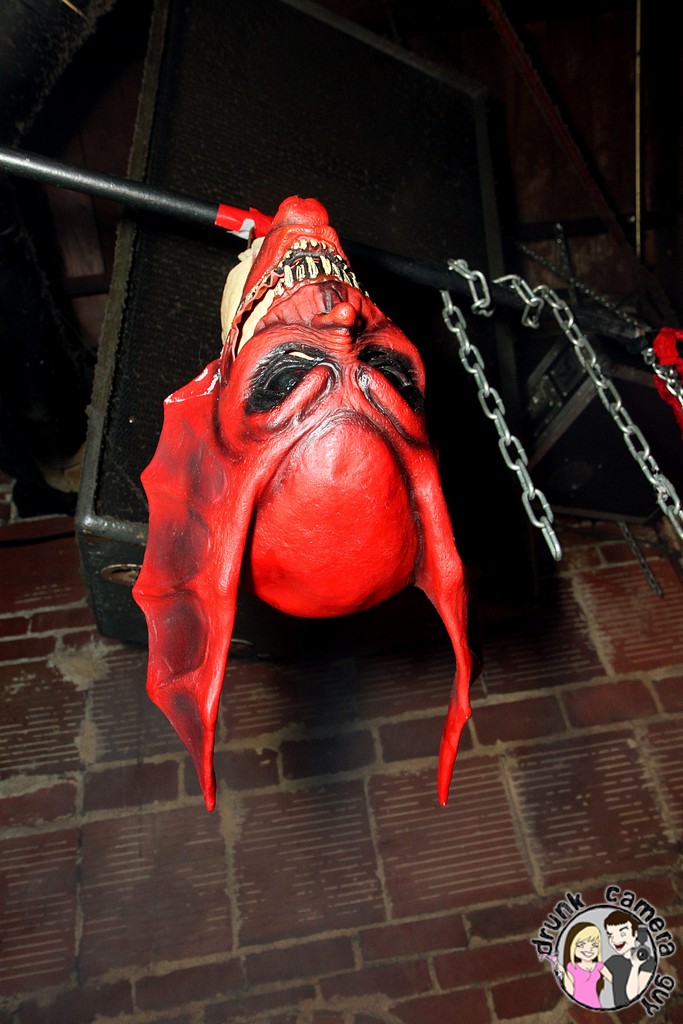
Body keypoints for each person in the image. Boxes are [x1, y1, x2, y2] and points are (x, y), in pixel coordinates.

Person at [604, 910, 656, 1007]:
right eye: (610, 935)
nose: (615, 940)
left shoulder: (648, 962)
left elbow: (632, 996)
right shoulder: (613, 961)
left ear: (635, 933)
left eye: (622, 934)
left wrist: (635, 966)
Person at [562, 921, 613, 1009]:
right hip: (578, 1006)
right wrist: (562, 972)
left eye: (595, 945)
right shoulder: (572, 967)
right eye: (581, 945)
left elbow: (614, 981)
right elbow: (570, 991)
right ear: (572, 946)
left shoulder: (599, 966)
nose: (589, 949)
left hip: (595, 1005)